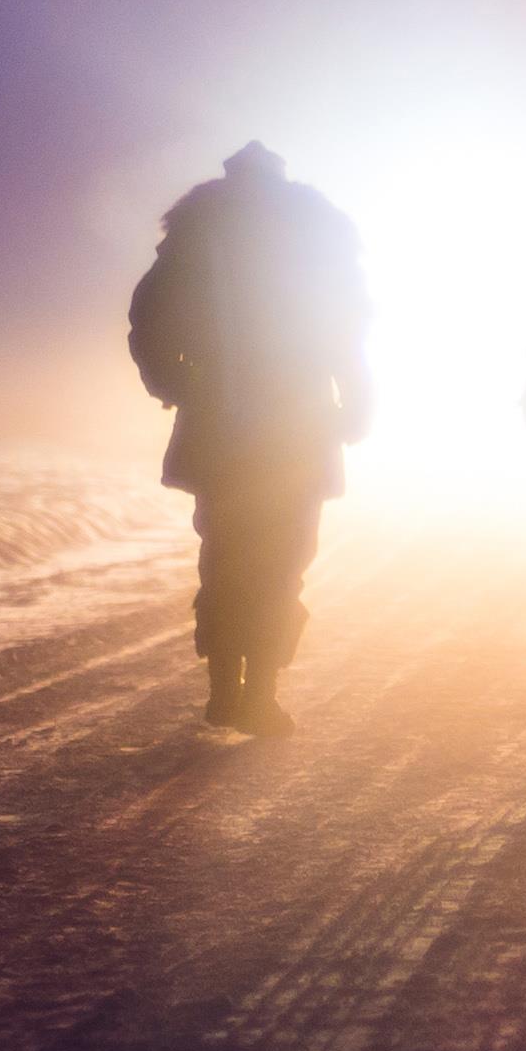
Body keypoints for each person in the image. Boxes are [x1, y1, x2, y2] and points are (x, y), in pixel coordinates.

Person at [125, 139, 372, 732]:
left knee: (226, 551)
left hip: (220, 422)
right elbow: (348, 331)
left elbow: (147, 322)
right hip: (299, 421)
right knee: (283, 558)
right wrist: (357, 403)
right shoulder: (316, 232)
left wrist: (174, 382)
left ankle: (226, 689)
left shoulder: (196, 231)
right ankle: (258, 692)